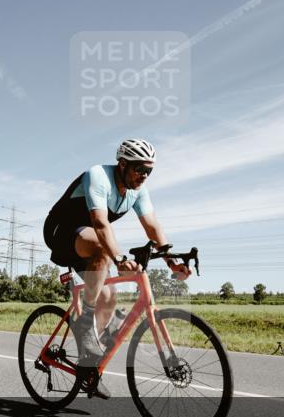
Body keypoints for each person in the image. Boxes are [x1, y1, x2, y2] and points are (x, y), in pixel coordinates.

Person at [43, 139, 189, 398]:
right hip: (61, 231)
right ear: (122, 164)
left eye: (149, 171)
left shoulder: (138, 190)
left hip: (86, 237)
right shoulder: (97, 175)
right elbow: (100, 224)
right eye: (139, 169)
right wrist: (119, 257)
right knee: (103, 249)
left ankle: (89, 367)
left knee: (109, 297)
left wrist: (170, 260)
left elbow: (152, 226)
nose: (143, 176)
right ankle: (84, 322)